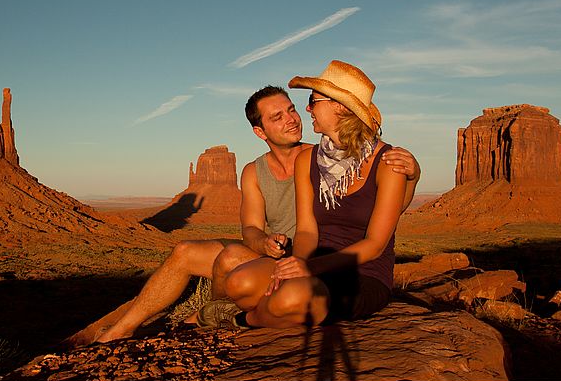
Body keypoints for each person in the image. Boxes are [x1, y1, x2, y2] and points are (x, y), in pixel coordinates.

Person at [94, 83, 419, 342]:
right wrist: (282, 255)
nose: (299, 114)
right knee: (222, 271)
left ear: (339, 106)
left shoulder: (382, 160)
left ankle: (232, 319)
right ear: (260, 132)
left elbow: (380, 230)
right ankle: (122, 329)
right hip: (303, 259)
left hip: (355, 271)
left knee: (275, 290)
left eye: (304, 104)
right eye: (278, 116)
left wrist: (412, 176)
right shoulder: (286, 165)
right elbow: (293, 229)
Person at [218, 60, 405, 328]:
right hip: (314, 264)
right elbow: (306, 230)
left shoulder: (388, 162)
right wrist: (298, 264)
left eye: (312, 100)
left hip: (361, 274)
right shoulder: (307, 160)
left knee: (289, 299)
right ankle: (275, 307)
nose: (307, 109)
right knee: (238, 282)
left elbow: (375, 245)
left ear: (339, 107)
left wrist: (310, 270)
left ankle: (246, 320)